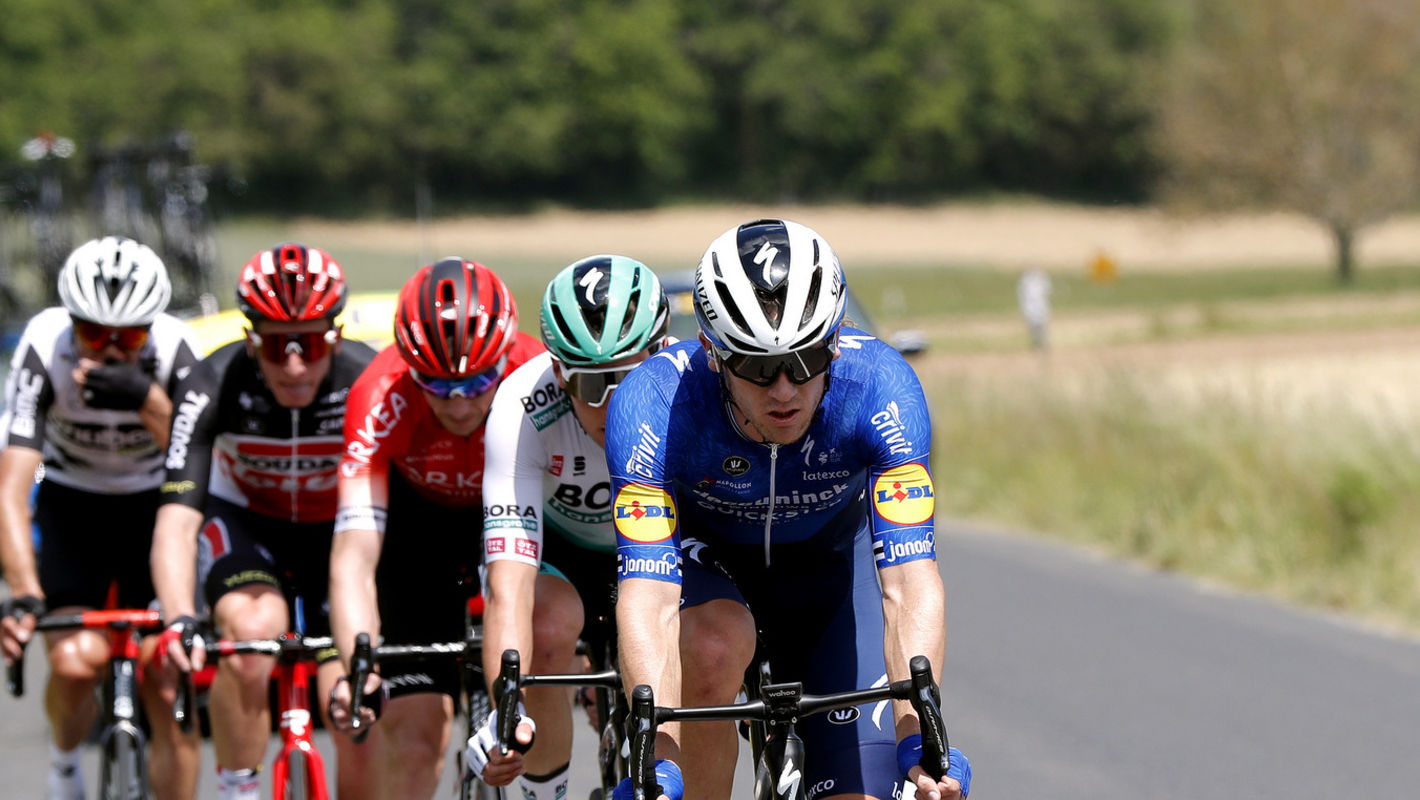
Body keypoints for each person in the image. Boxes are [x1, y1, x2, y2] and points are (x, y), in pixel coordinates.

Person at [605, 219, 972, 800]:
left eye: (805, 359)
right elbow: (649, 597)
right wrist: (660, 758)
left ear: (836, 340)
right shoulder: (653, 402)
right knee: (712, 648)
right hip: (710, 570)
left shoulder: (880, 386)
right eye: (756, 366)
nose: (783, 389)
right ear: (712, 353)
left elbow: (908, 581)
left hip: (830, 571)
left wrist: (920, 737)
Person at [148, 243, 378, 800]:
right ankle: (238, 788)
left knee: (352, 700)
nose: (295, 364)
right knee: (251, 638)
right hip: (247, 524)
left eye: (311, 344)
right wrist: (179, 617)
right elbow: (177, 517)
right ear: (251, 339)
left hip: (337, 536)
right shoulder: (211, 381)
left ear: (336, 337)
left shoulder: (368, 380)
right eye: (277, 346)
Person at [327, 257, 544, 799]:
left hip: (524, 521)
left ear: (505, 358)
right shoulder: (378, 395)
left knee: (550, 694)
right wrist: (359, 667)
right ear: (410, 370)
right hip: (418, 539)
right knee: (416, 741)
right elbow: (353, 558)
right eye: (438, 385)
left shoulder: (538, 373)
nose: (461, 402)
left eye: (479, 381)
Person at [0, 235, 202, 800]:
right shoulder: (45, 345)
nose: (111, 350)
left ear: (150, 328)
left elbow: (197, 458)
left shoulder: (177, 349)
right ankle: (64, 768)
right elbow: (10, 489)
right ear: (72, 322)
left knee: (167, 678)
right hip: (74, 503)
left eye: (129, 337)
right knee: (73, 662)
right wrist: (24, 593)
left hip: (158, 505)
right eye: (93, 334)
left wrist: (147, 399)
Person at [465, 255, 671, 797]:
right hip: (563, 556)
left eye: (628, 377)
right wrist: (505, 707)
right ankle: (544, 790)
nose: (613, 402)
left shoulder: (693, 390)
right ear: (558, 373)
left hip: (659, 549)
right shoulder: (521, 406)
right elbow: (509, 586)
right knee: (547, 621)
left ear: (661, 354)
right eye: (590, 383)